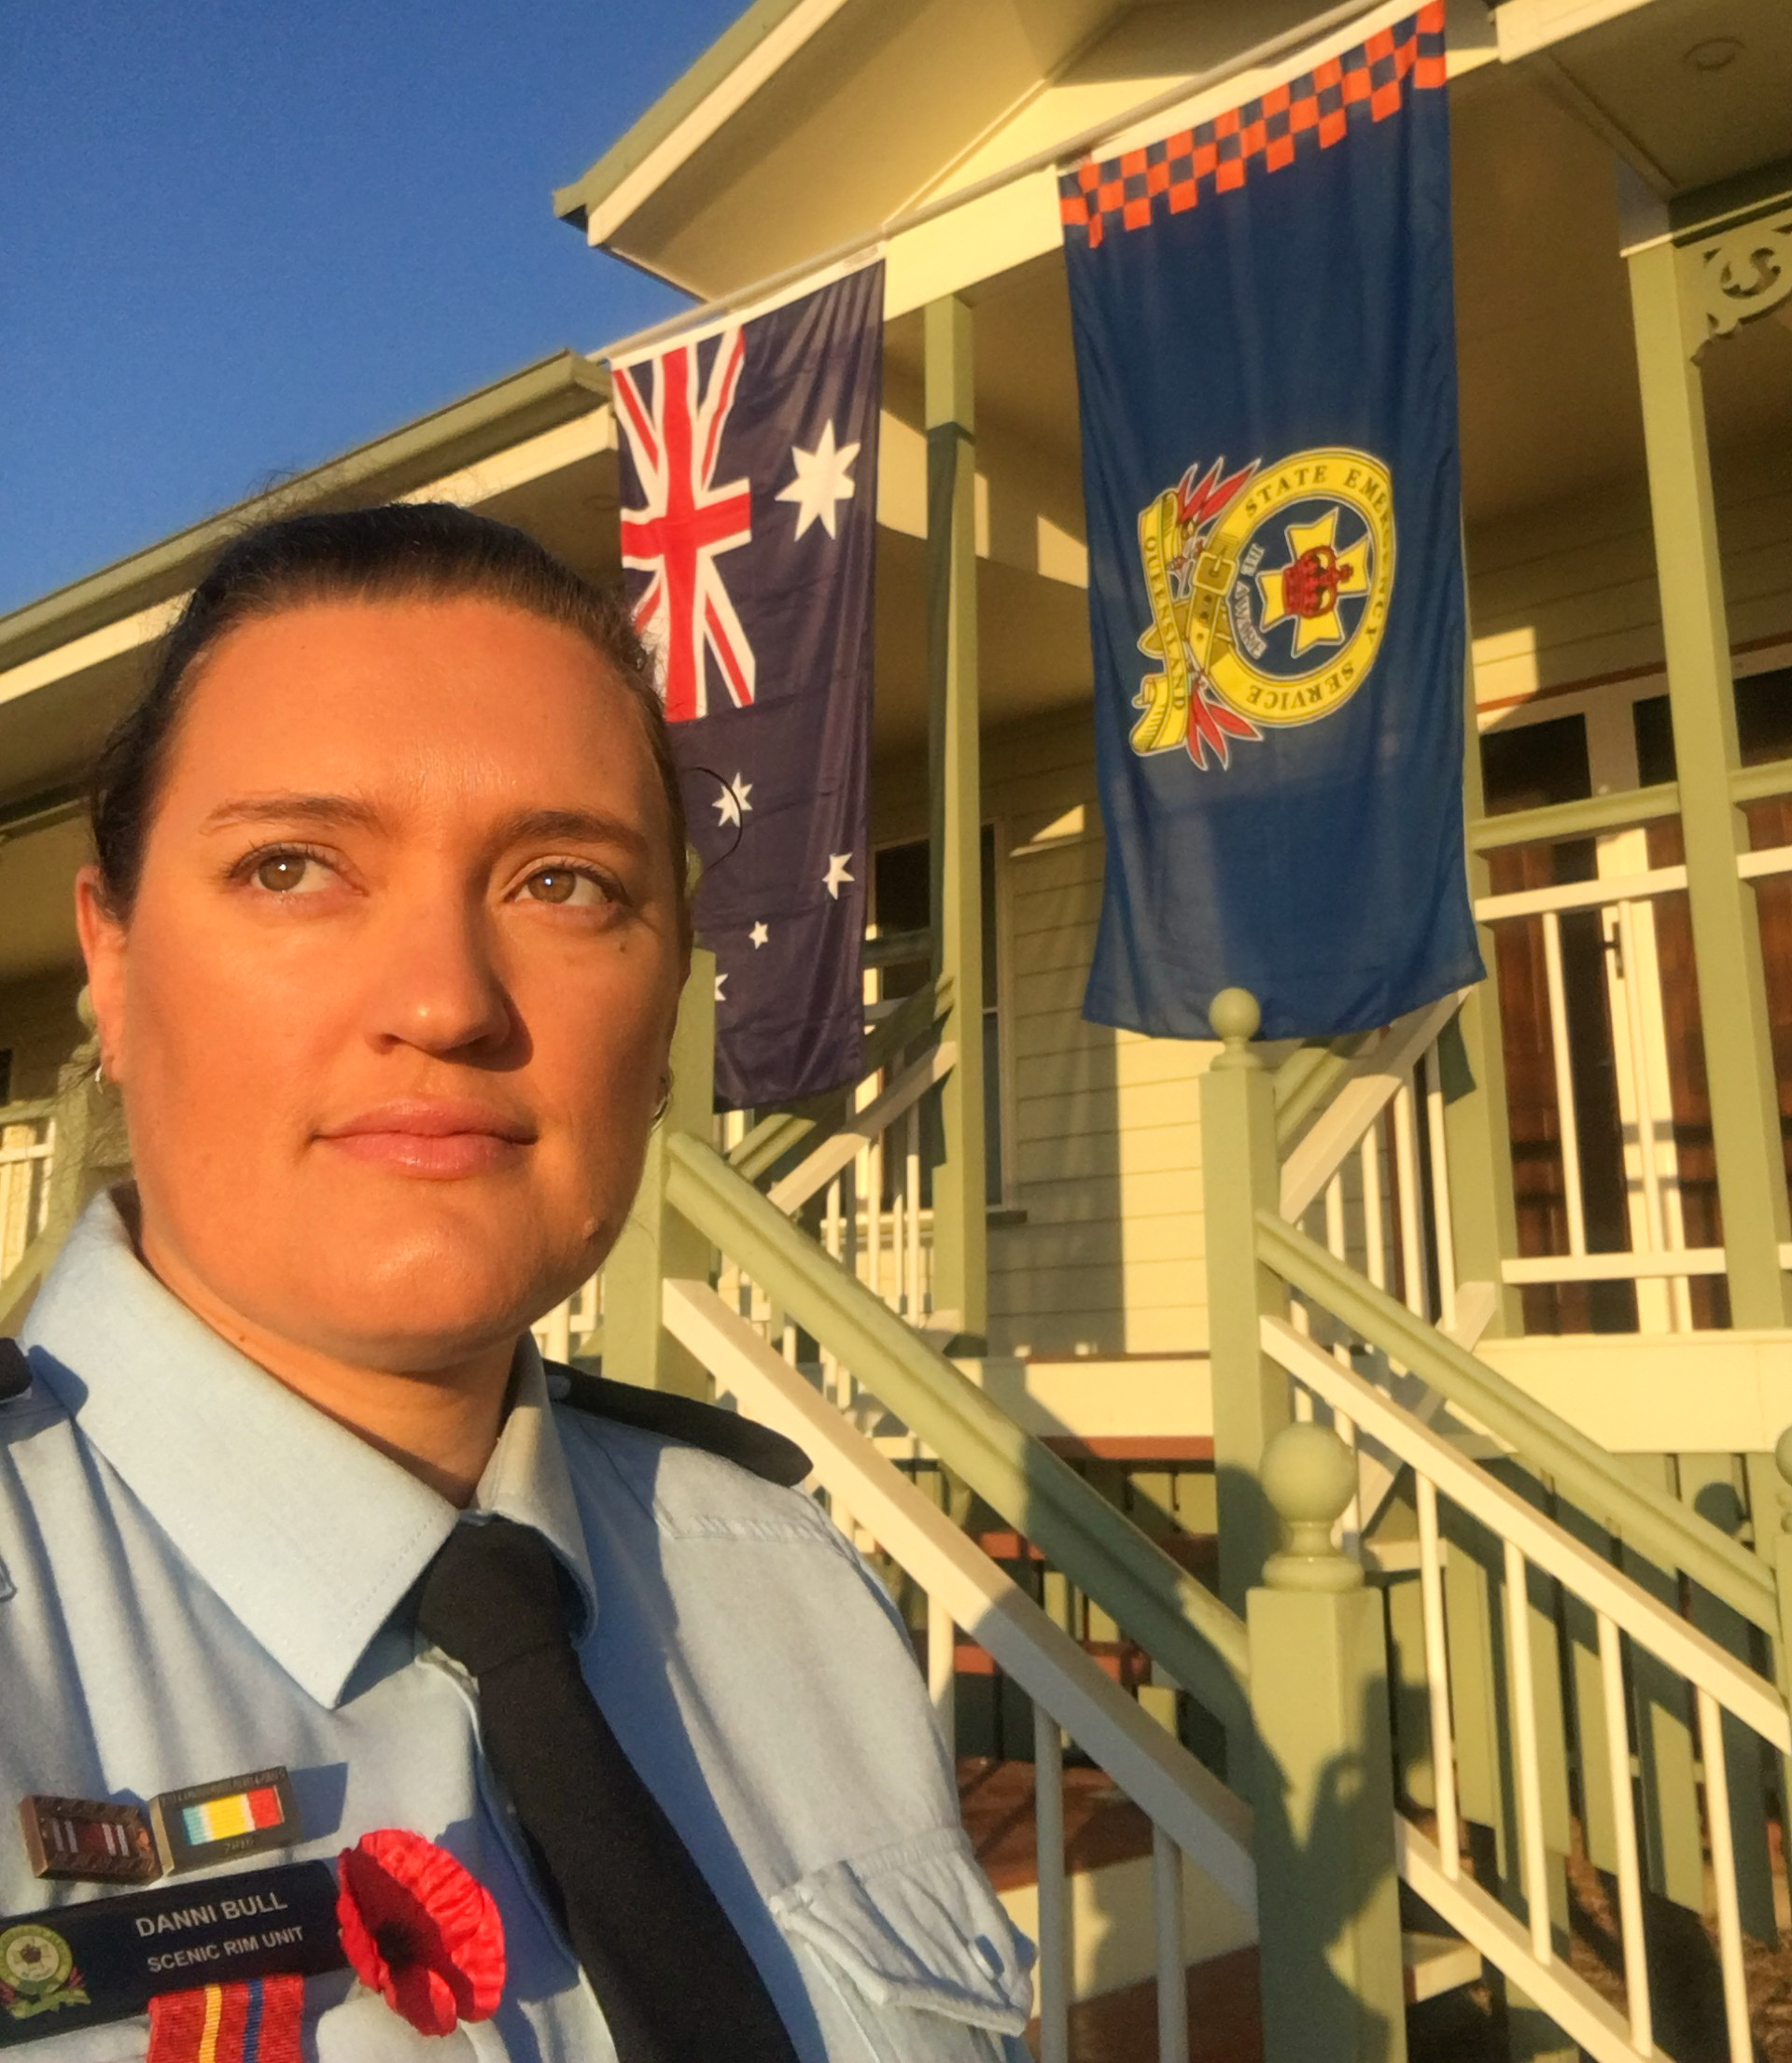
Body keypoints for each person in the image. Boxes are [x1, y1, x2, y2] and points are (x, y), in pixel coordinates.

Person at [0, 505, 1033, 2060]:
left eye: (566, 883)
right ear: (116, 962)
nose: (445, 1000)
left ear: (669, 993)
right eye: (292, 866)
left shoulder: (789, 1582)